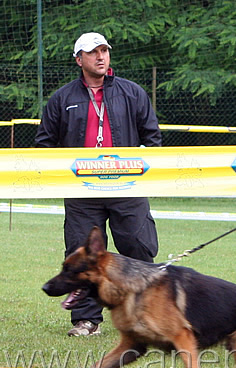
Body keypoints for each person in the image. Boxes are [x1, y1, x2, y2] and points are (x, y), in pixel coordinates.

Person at [35, 32, 161, 336]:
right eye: (93, 52)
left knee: (138, 249)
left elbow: (152, 138)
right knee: (80, 254)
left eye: (104, 50)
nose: (100, 56)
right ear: (79, 60)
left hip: (127, 189)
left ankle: (146, 314)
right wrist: (60, 175)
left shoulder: (132, 93)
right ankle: (86, 320)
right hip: (81, 193)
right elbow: (44, 144)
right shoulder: (62, 98)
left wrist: (142, 171)